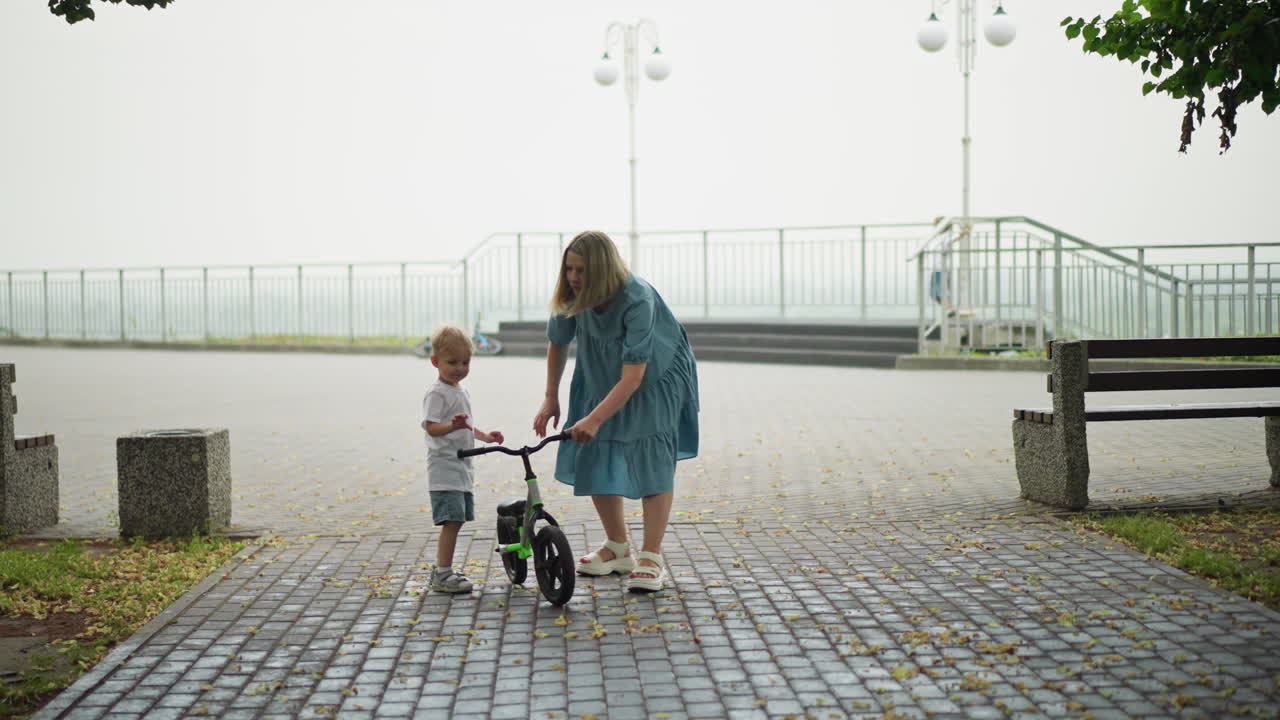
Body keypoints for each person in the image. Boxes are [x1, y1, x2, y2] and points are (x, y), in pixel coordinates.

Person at [532, 230, 700, 593]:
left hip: (653, 376)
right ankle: (618, 547)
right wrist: (551, 397)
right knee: (593, 451)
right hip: (600, 373)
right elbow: (558, 343)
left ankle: (651, 556)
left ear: (603, 270)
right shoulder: (570, 295)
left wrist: (595, 417)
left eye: (583, 270)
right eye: (570, 269)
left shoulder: (637, 298)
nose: (574, 278)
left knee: (651, 458)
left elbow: (635, 375)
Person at [421, 325, 504, 593]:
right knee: (451, 520)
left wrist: (486, 436)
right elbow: (431, 427)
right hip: (444, 467)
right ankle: (442, 574)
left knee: (457, 519)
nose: (459, 368)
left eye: (465, 362)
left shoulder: (460, 390)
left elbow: (465, 425)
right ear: (435, 362)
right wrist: (451, 427)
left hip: (462, 465)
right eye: (452, 362)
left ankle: (445, 570)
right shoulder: (437, 393)